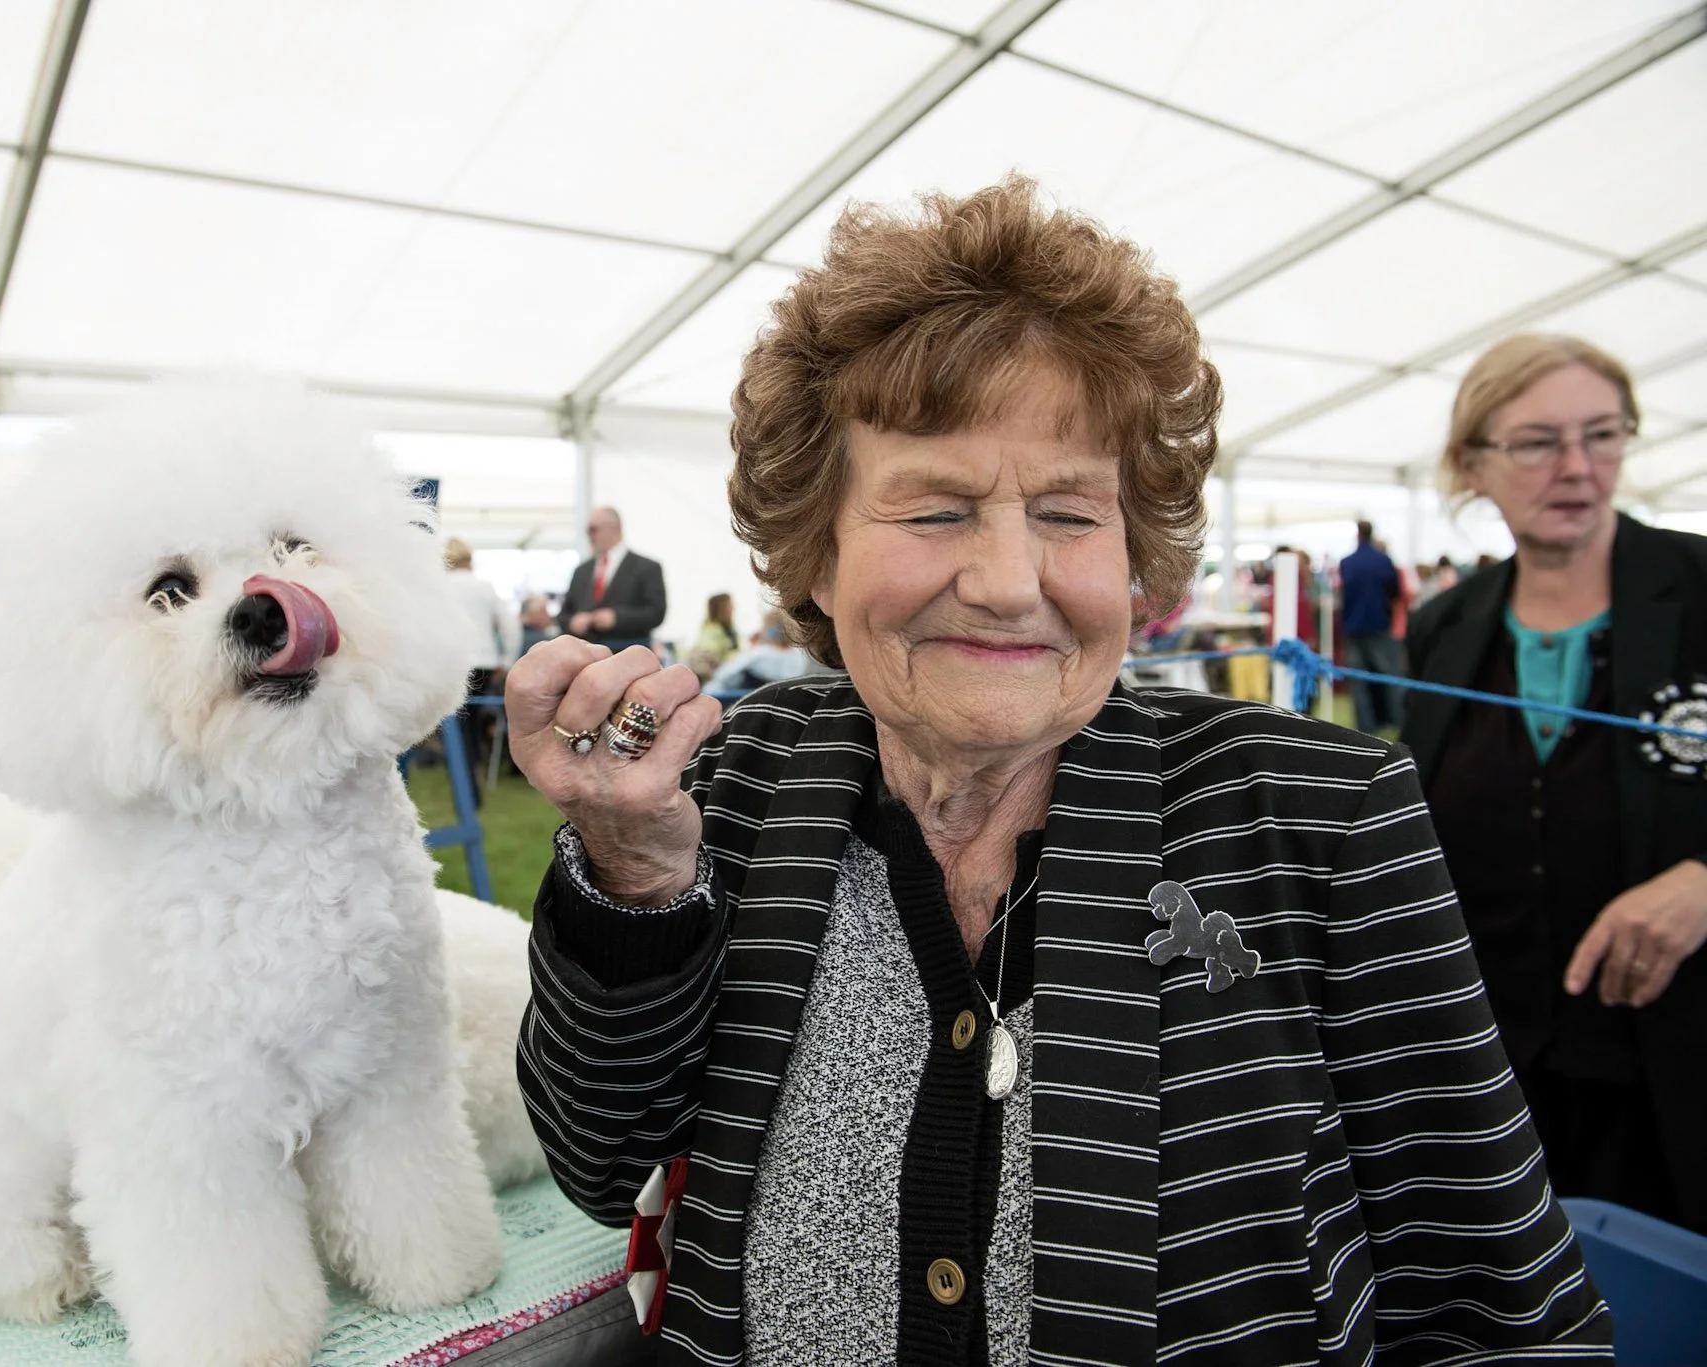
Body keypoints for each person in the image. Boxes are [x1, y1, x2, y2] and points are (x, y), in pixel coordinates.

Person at [506, 179, 1607, 1365]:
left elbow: (1496, 1305)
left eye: (1069, 513)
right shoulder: (744, 779)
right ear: (813, 550)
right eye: (933, 509)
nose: (1005, 578)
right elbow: (601, 1159)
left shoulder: (1316, 813)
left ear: (1136, 558)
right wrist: (632, 877)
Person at [1404, 333, 1707, 1235]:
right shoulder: (1445, 627)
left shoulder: (1698, 591)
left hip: (1674, 1072)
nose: (1578, 467)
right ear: (1472, 464)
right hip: (1490, 1075)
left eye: (1603, 436)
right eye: (1538, 442)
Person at [444, 538, 517, 802]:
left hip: (454, 664)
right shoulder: (485, 588)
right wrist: (506, 659)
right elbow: (509, 625)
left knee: (458, 726)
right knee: (471, 723)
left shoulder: (442, 586)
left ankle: (468, 786)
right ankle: (472, 777)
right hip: (484, 664)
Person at [556, 508, 666, 652]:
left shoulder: (646, 568)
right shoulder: (582, 571)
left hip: (628, 654)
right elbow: (563, 614)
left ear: (614, 528)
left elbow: (656, 612)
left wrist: (618, 618)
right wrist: (573, 622)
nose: (589, 536)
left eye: (593, 529)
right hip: (587, 656)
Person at [1338, 521, 1405, 731]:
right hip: (1379, 625)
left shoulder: (1347, 562)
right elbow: (1395, 591)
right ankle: (1397, 720)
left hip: (1354, 626)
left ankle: (1366, 725)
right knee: (1390, 676)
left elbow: (1344, 594)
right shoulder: (1383, 560)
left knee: (1359, 681)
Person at [705, 607, 813, 693]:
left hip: (748, 703)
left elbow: (723, 675)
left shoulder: (759, 654)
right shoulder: (801, 655)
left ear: (767, 629)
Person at [686, 593, 741, 681]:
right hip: (717, 677)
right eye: (729, 605)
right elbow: (706, 655)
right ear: (721, 609)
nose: (733, 608)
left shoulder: (730, 630)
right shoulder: (712, 630)